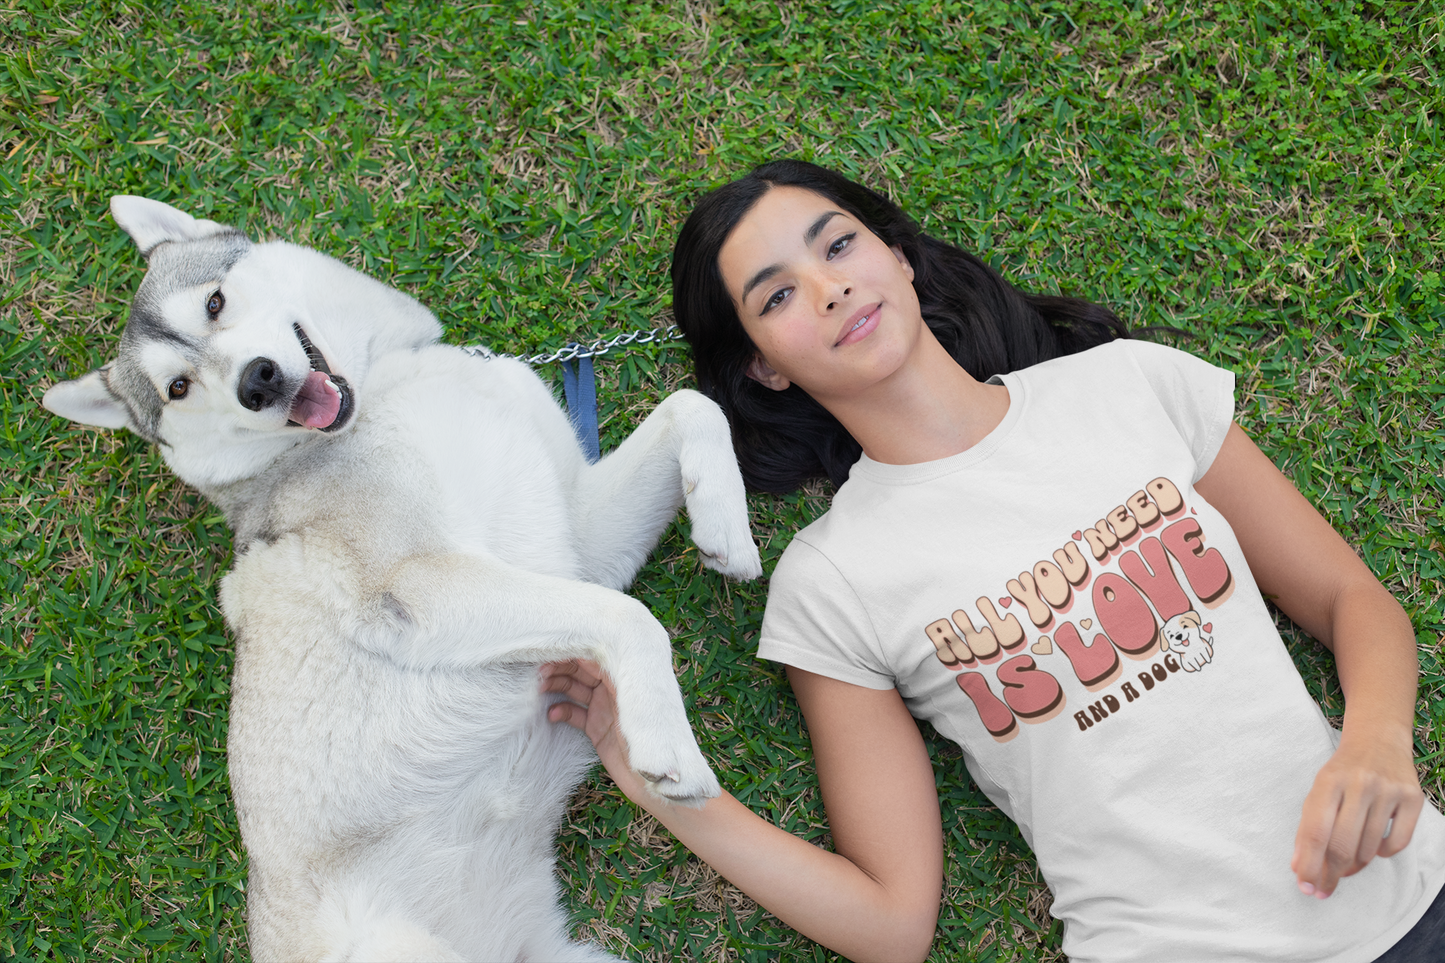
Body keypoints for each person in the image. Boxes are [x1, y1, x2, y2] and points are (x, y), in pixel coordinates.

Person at [541, 160, 1445, 962]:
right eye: (775, 297)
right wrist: (653, 774)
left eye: (839, 246)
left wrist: (1373, 741)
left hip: (1418, 888)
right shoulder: (830, 583)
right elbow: (893, 925)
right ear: (763, 368)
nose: (825, 289)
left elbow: (1345, 595)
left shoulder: (1128, 383)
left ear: (897, 255)